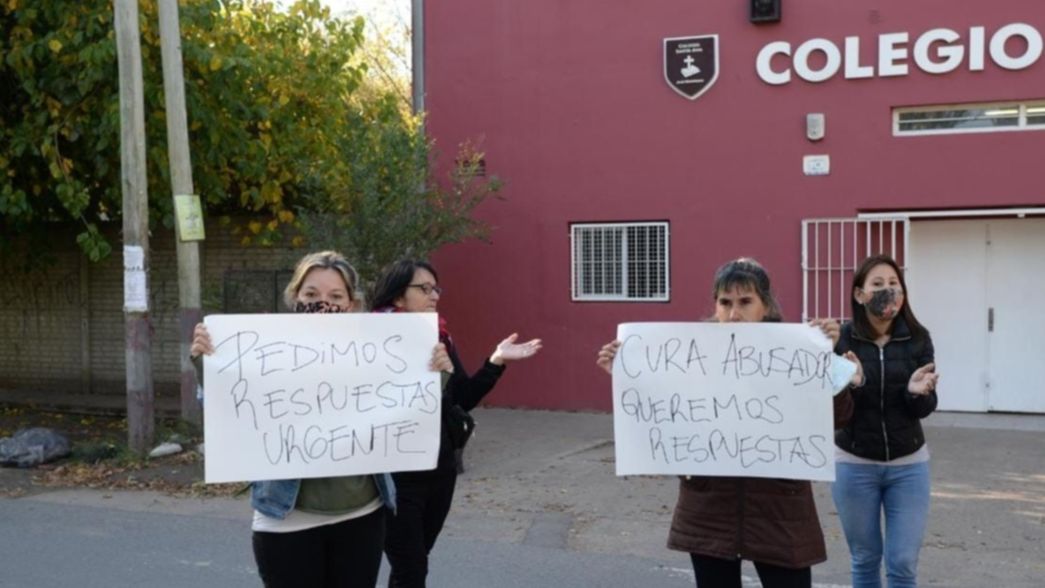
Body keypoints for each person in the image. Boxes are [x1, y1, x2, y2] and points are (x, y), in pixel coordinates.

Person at [189, 251, 453, 588]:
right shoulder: (263, 350)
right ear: (295, 298)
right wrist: (206, 364)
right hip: (287, 519)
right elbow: (228, 409)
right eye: (311, 295)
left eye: (335, 296)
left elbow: (408, 411)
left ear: (352, 304)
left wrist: (434, 374)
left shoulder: (376, 353)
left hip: (362, 515)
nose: (322, 304)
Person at [596, 258, 857, 588]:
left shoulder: (798, 352)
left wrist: (827, 358)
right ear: (715, 307)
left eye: (746, 302)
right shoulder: (688, 355)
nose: (735, 314)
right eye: (726, 302)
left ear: (766, 305)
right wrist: (627, 377)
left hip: (779, 508)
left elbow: (841, 417)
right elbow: (663, 417)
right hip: (709, 509)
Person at [370, 259, 542, 588]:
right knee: (411, 567)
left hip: (440, 471)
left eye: (436, 288)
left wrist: (497, 361)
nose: (434, 295)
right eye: (423, 288)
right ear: (397, 297)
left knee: (416, 561)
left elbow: (462, 398)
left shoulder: (441, 338)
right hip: (394, 476)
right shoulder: (371, 342)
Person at [832, 254, 939, 588]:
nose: (887, 290)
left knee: (903, 562)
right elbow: (838, 412)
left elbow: (925, 407)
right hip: (853, 464)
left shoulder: (918, 337)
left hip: (909, 465)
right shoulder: (843, 340)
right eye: (877, 284)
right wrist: (856, 384)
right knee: (864, 559)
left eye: (894, 284)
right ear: (859, 294)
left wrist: (916, 393)